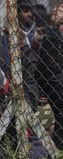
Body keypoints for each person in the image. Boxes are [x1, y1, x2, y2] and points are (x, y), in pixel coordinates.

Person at [36, 0, 63, 149]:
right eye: (55, 7)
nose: (56, 10)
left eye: (61, 8)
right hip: (55, 85)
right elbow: (48, 66)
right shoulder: (52, 34)